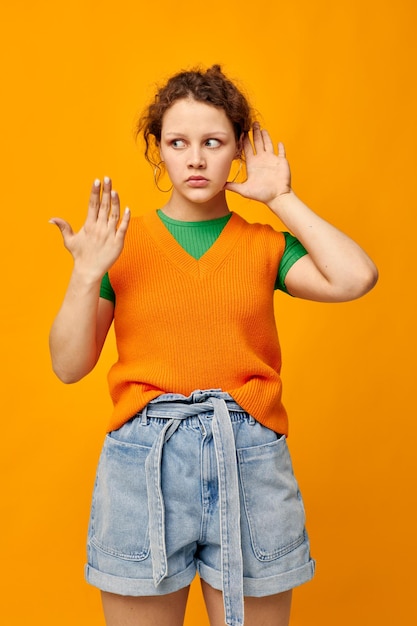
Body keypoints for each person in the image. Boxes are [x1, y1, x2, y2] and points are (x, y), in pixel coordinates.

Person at [49, 65, 378, 626]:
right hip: (143, 464)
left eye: (213, 142)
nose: (196, 159)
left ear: (238, 150)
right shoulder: (120, 248)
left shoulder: (263, 245)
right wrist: (86, 275)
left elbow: (356, 278)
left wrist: (282, 198)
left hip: (248, 456)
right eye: (178, 143)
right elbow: (69, 365)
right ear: (159, 150)